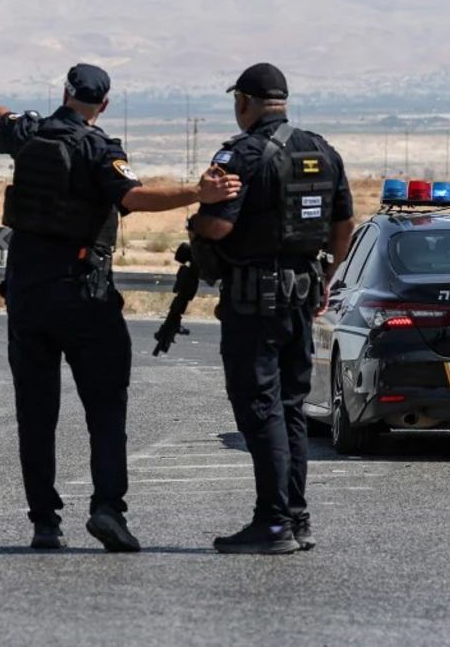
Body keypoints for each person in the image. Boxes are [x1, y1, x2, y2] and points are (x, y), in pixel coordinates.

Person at [0, 63, 240, 553]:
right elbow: (136, 196)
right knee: (106, 410)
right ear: (103, 104)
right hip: (84, 296)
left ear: (65, 93)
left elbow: (0, 116)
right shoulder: (99, 148)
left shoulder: (32, 132)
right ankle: (108, 509)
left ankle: (45, 521)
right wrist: (198, 192)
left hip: (27, 294)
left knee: (36, 412)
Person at [188, 62, 356, 555]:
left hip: (253, 300)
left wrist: (196, 217)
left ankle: (274, 522)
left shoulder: (241, 154)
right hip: (302, 294)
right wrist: (324, 274)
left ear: (244, 101)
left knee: (260, 409)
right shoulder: (320, 150)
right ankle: (296, 516)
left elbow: (218, 227)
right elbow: (343, 224)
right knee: (290, 408)